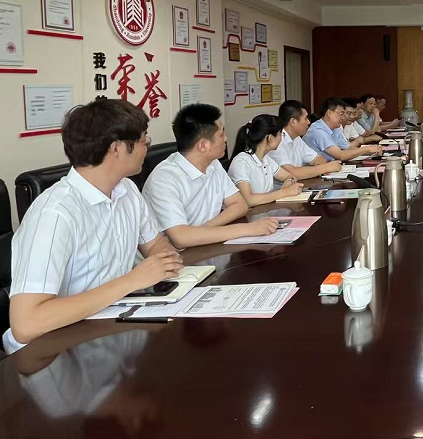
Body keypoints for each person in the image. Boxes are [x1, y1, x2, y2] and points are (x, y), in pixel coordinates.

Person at [4, 99, 184, 353]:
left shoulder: (126, 189)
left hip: (108, 327)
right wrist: (132, 280)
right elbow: (26, 323)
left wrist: (164, 260)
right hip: (52, 351)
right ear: (117, 148)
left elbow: (154, 243)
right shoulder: (54, 214)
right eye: (144, 141)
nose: (147, 148)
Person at [143, 104, 279, 249]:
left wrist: (206, 229)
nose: (226, 138)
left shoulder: (213, 164)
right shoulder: (164, 179)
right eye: (221, 135)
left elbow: (239, 205)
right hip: (177, 256)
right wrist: (248, 229)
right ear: (203, 145)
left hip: (205, 247)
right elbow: (181, 238)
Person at [228, 114, 305, 206]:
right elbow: (249, 200)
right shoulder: (241, 162)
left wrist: (288, 182)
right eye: (280, 134)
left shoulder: (265, 159)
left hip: (266, 210)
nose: (281, 139)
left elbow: (290, 176)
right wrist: (285, 192)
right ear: (270, 138)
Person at [271, 100, 344, 181]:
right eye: (305, 118)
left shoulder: (296, 138)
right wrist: (324, 168)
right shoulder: (276, 141)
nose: (308, 122)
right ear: (293, 122)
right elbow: (291, 173)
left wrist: (320, 169)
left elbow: (319, 159)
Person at [303, 98, 383, 162]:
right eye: (341, 113)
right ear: (329, 113)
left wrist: (371, 151)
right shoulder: (318, 131)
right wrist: (366, 149)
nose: (343, 117)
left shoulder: (335, 127)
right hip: (316, 171)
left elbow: (348, 148)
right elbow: (341, 155)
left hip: (331, 166)